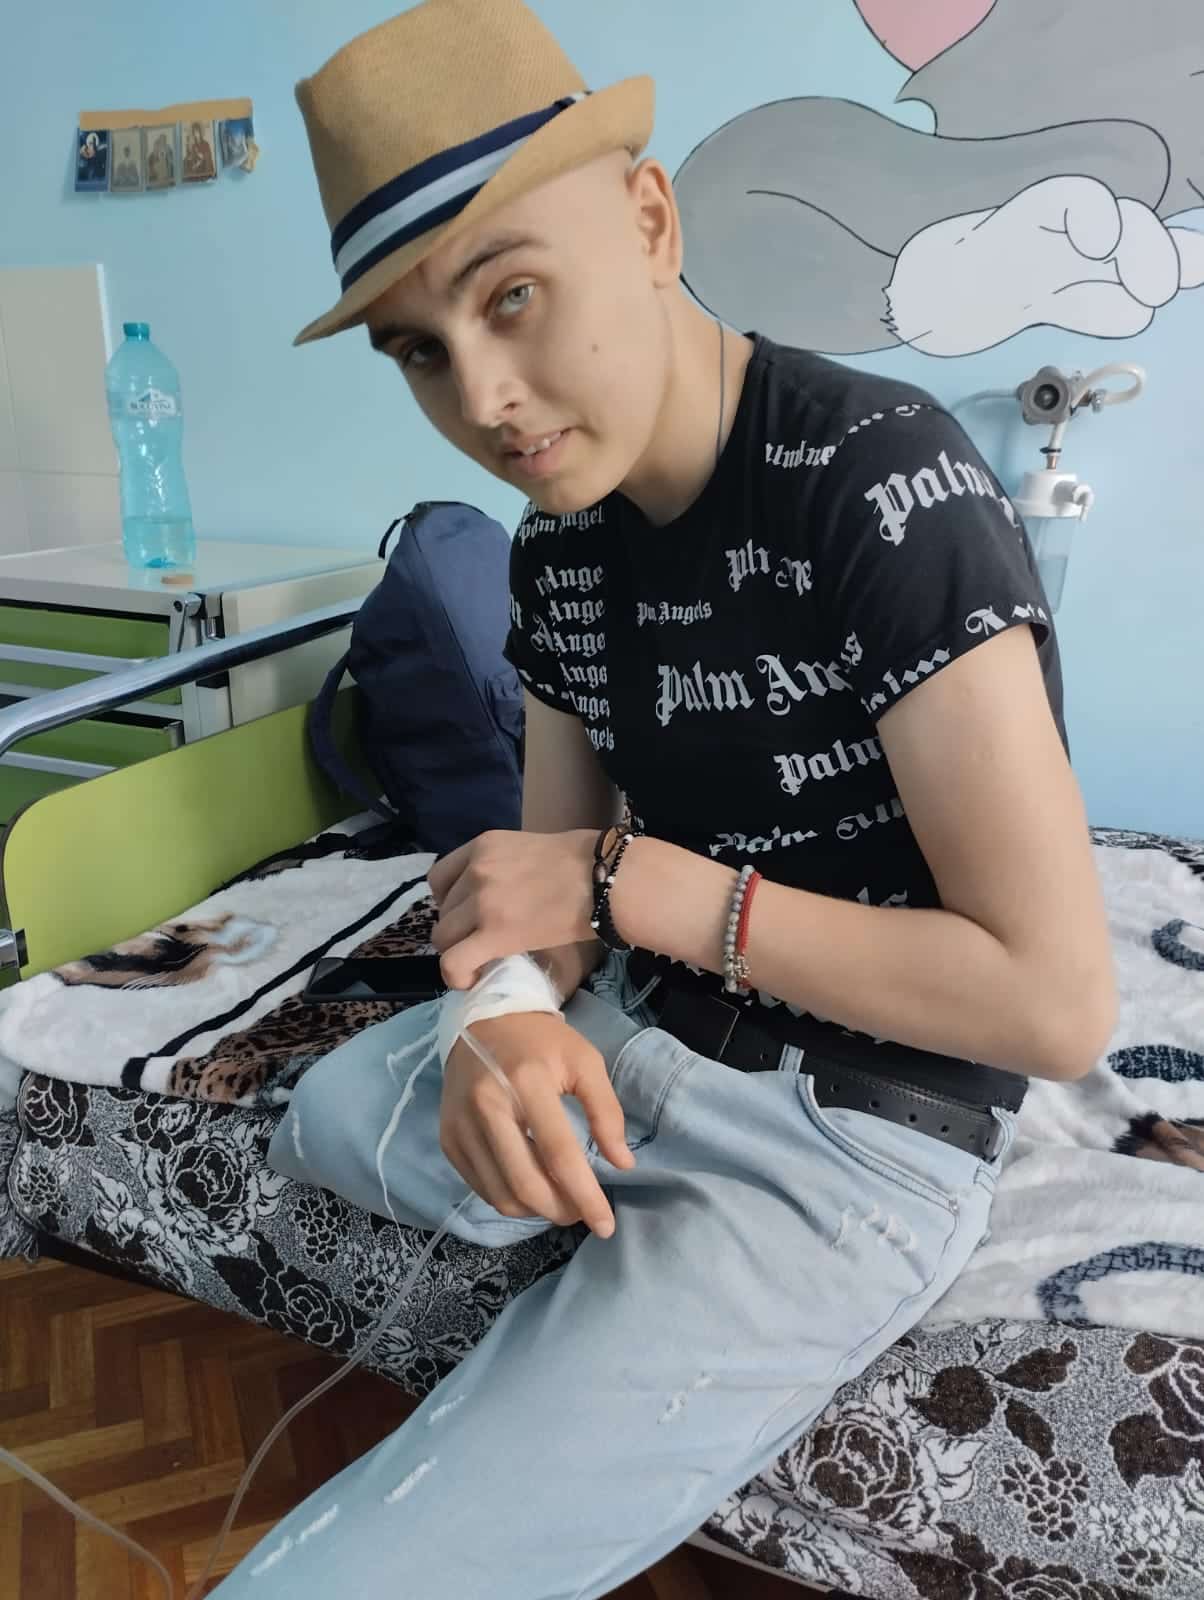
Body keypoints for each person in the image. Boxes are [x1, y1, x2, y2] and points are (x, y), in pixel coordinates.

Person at [214, 1, 1118, 1593]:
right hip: (636, 1020)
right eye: (420, 349)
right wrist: (504, 1014)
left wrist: (628, 888)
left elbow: (1052, 1006)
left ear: (648, 220)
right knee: (321, 1116)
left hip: (857, 1125)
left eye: (511, 296)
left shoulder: (884, 485)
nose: (484, 397)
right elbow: (551, 868)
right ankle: (554, 1172)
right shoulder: (559, 547)